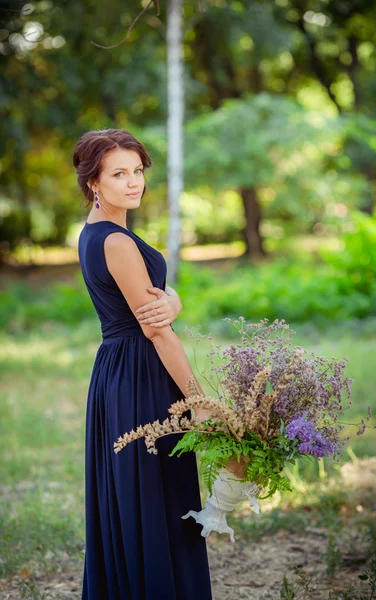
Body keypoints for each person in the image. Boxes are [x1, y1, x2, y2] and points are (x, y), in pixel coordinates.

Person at [73, 128, 213, 600]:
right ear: (93, 181)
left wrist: (171, 299)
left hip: (118, 371)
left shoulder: (95, 233)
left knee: (138, 497)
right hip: (141, 374)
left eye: (137, 171)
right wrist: (200, 399)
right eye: (118, 173)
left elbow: (152, 306)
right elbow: (154, 329)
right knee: (157, 496)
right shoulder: (117, 242)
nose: (133, 183)